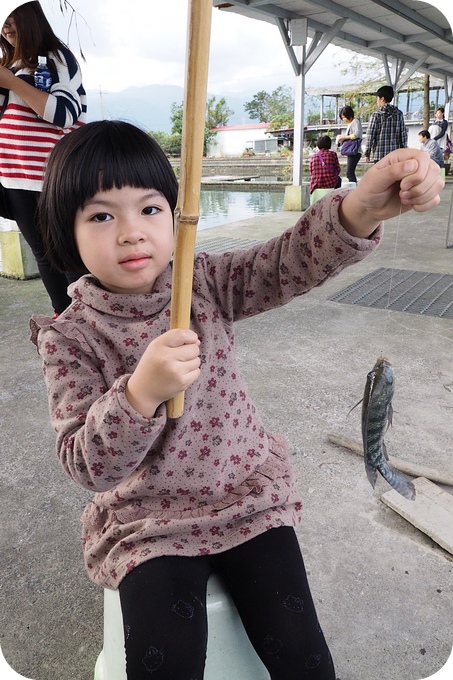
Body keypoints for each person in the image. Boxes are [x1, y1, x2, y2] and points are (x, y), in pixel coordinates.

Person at [30, 120, 442, 680]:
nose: (131, 232)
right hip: (150, 522)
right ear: (63, 231)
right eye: (102, 215)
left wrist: (360, 210)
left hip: (246, 495)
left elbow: (286, 262)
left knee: (307, 660)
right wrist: (138, 394)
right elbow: (88, 464)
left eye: (150, 209)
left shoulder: (203, 282)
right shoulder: (69, 337)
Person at [0, 2, 86, 317]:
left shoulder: (57, 57)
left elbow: (64, 114)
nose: (7, 26)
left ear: (31, 18)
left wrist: (12, 83)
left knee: (69, 252)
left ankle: (93, 316)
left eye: (13, 18)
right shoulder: (8, 66)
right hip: (14, 175)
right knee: (43, 254)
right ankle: (63, 318)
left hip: (54, 175)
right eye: (2, 21)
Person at [364, 85, 407, 163]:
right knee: (393, 175)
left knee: (381, 175)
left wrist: (367, 153)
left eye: (377, 98)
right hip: (395, 156)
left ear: (382, 99)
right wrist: (404, 151)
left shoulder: (376, 115)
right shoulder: (399, 114)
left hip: (379, 155)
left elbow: (370, 135)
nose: (377, 101)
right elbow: (403, 135)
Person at [336, 105, 363, 184]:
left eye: (344, 117)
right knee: (350, 172)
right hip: (352, 151)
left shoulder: (355, 122)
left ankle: (354, 190)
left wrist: (344, 137)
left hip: (355, 150)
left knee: (349, 172)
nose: (343, 119)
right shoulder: (350, 124)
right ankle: (354, 188)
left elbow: (356, 134)